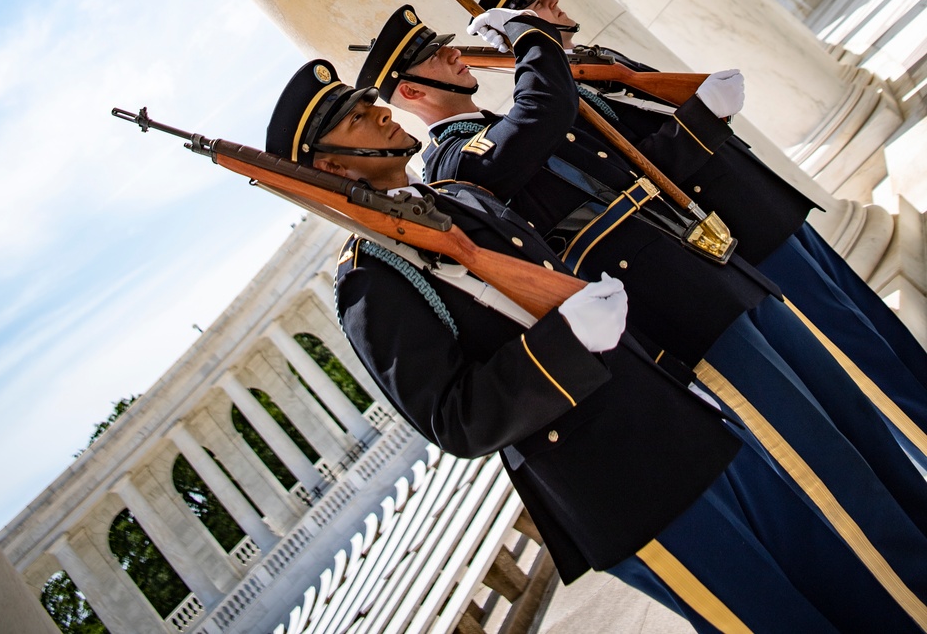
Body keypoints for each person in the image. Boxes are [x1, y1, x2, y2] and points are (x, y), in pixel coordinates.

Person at [263, 57, 927, 633]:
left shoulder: (454, 198)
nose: (378, 112)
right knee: (778, 620)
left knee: (849, 580)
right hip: (622, 480)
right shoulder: (370, 280)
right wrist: (564, 342)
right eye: (356, 118)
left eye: (368, 101)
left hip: (679, 420)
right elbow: (455, 418)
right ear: (326, 167)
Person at [463, 0, 927, 470]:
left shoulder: (600, 66)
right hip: (734, 236)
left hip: (766, 210)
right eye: (534, 7)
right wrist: (703, 116)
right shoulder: (557, 109)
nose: (552, 4)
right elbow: (640, 184)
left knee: (878, 332)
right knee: (857, 359)